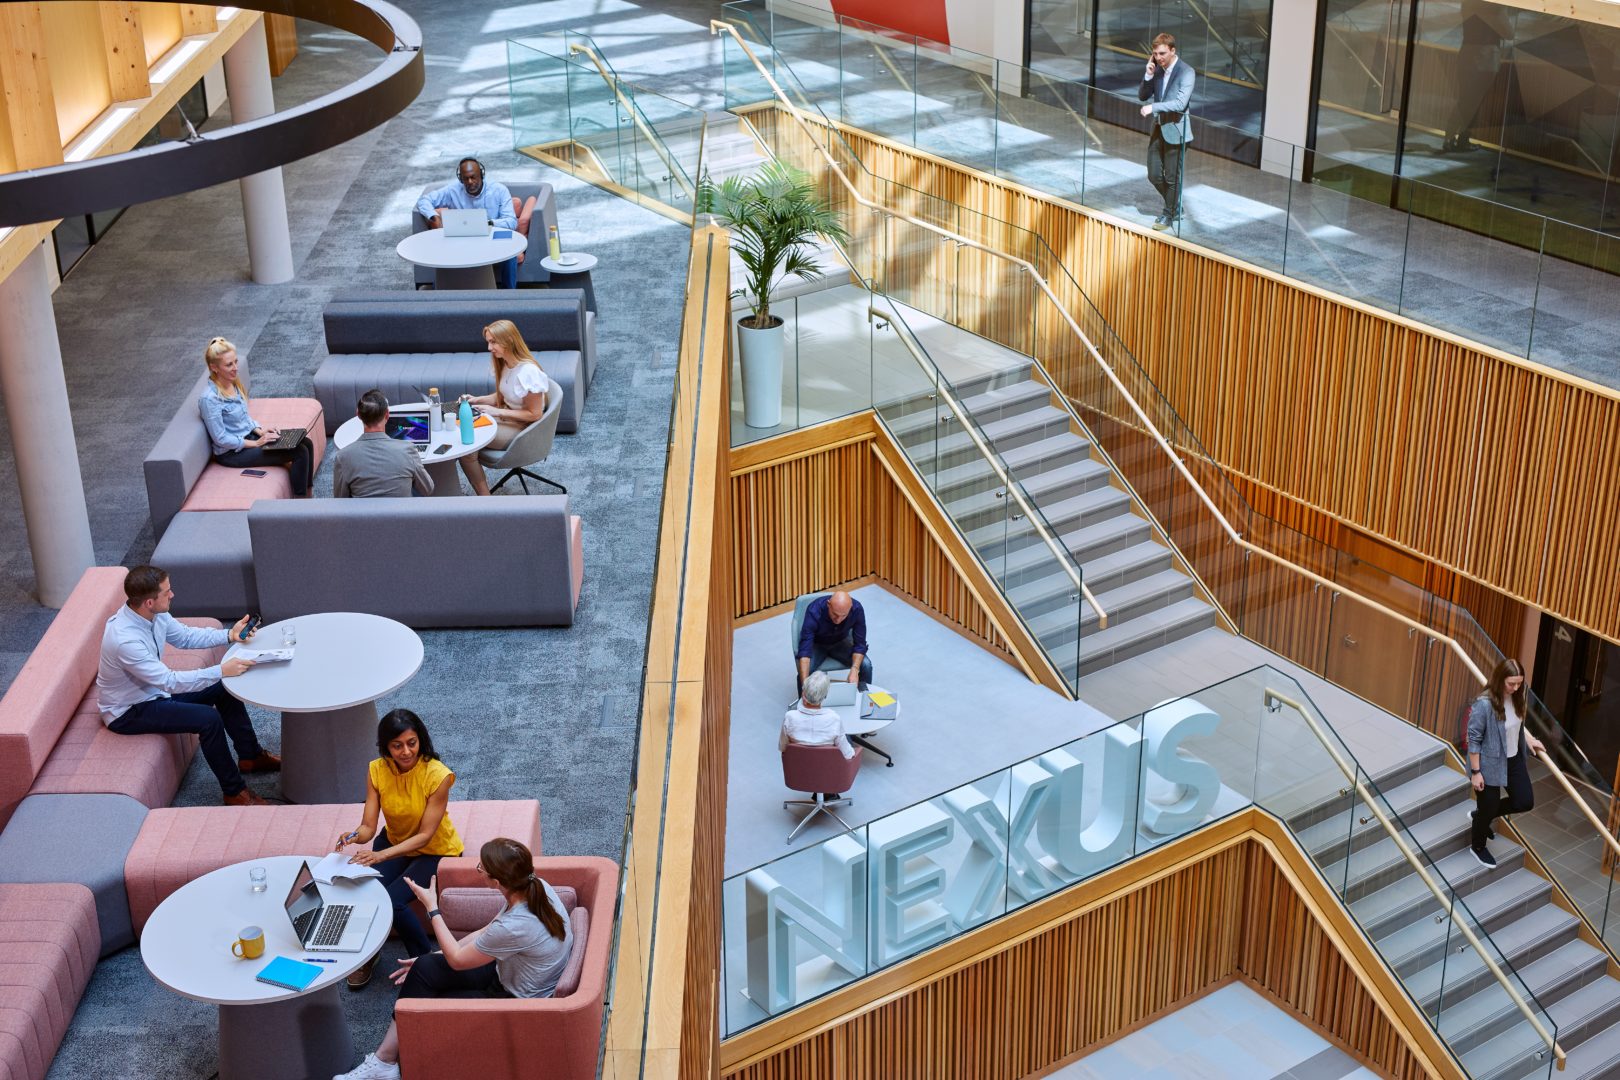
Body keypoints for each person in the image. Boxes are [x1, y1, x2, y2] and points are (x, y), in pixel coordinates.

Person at [334, 837, 574, 1080]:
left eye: (481, 868)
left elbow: (459, 960)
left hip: (513, 999)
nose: (478, 870)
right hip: (507, 969)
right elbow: (488, 931)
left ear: (496, 881)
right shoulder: (536, 886)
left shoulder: (516, 925)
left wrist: (432, 908)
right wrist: (431, 957)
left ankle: (390, 1062)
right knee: (425, 966)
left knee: (427, 1003)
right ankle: (384, 1062)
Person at [96, 565, 278, 807]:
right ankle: (234, 792)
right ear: (150, 602)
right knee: (208, 719)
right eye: (167, 592)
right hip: (130, 711)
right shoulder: (125, 640)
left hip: (154, 693)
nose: (172, 595)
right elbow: (169, 681)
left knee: (223, 688)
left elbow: (185, 637)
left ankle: (250, 756)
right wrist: (220, 669)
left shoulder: (154, 615)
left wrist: (229, 635)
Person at [335, 710, 462, 989]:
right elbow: (369, 825)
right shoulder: (376, 770)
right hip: (394, 841)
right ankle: (369, 954)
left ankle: (426, 962)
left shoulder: (438, 776)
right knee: (364, 888)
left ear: (421, 741)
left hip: (433, 849)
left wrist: (380, 855)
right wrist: (355, 836)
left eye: (412, 743)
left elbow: (426, 835)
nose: (406, 751)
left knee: (392, 900)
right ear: (386, 747)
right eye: (397, 745)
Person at [198, 336, 316, 497]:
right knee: (299, 452)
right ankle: (299, 504)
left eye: (235, 362)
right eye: (229, 364)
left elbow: (244, 418)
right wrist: (256, 444)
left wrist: (260, 431)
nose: (235, 368)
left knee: (305, 442)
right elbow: (220, 438)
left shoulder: (231, 382)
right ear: (214, 368)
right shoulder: (209, 399)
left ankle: (308, 492)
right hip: (233, 453)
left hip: (251, 437)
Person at [1467, 658, 1545, 868]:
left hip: (1513, 759)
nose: (1515, 687)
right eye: (1511, 683)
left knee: (1524, 801)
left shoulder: (1519, 697)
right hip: (1488, 764)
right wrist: (1476, 772)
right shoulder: (1484, 704)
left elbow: (1516, 724)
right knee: (1489, 804)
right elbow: (1473, 739)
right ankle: (1478, 846)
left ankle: (1482, 814)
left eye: (1519, 683)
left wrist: (1528, 739)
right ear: (1500, 679)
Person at [459, 319, 550, 497]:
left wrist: (497, 411)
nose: (489, 348)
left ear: (509, 340)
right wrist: (477, 400)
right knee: (463, 425)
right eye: (488, 342)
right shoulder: (506, 364)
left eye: (493, 342)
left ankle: (486, 500)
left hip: (524, 429)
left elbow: (535, 414)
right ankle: (483, 496)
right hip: (507, 420)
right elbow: (504, 394)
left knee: (466, 442)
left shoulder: (528, 372)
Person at [414, 157, 520, 289]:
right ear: (460, 179)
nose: (470, 182)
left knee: (510, 253)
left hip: (492, 239)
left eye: (473, 177)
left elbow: (511, 221)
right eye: (466, 179)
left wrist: (488, 223)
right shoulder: (453, 190)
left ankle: (509, 293)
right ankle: (440, 292)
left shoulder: (499, 190)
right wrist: (434, 217)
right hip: (463, 242)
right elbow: (424, 201)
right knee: (441, 250)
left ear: (481, 175)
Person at [1137, 33, 1196, 231]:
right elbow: (1143, 95)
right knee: (1154, 174)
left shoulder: (1187, 72)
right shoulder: (1158, 70)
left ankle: (1168, 214)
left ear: (1172, 50)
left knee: (1172, 177)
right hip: (1159, 128)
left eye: (1162, 53)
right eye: (1155, 54)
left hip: (1177, 132)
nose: (1159, 57)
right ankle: (1176, 206)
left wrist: (1154, 108)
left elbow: (1180, 103)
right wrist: (1148, 74)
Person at [332, 389, 433, 498]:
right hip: (402, 514)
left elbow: (340, 499)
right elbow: (428, 489)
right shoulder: (408, 450)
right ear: (387, 415)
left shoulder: (343, 457)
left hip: (363, 515)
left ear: (358, 414)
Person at [795, 590, 872, 692]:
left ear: (850, 608)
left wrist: (855, 669)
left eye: (843, 616)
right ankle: (803, 705)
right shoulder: (814, 610)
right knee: (804, 673)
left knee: (866, 665)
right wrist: (805, 687)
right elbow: (805, 648)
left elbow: (860, 644)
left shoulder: (857, 609)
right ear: (828, 605)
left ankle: (864, 699)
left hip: (840, 642)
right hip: (817, 644)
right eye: (835, 614)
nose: (838, 620)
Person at [780, 671, 855, 759]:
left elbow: (783, 747)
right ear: (825, 696)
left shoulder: (789, 717)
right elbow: (848, 755)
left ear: (803, 693)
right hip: (827, 768)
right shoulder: (834, 719)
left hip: (798, 767)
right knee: (846, 737)